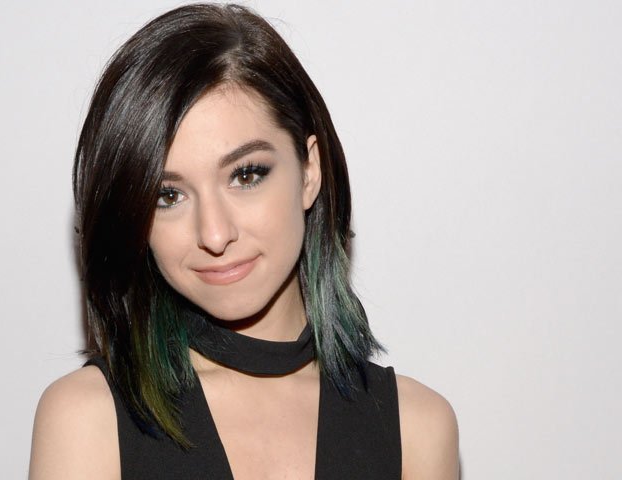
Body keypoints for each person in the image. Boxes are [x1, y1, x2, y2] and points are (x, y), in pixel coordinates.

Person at [29, 4, 458, 479]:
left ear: (310, 171)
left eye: (246, 175)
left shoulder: (417, 430)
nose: (214, 234)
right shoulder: (87, 421)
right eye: (167, 196)